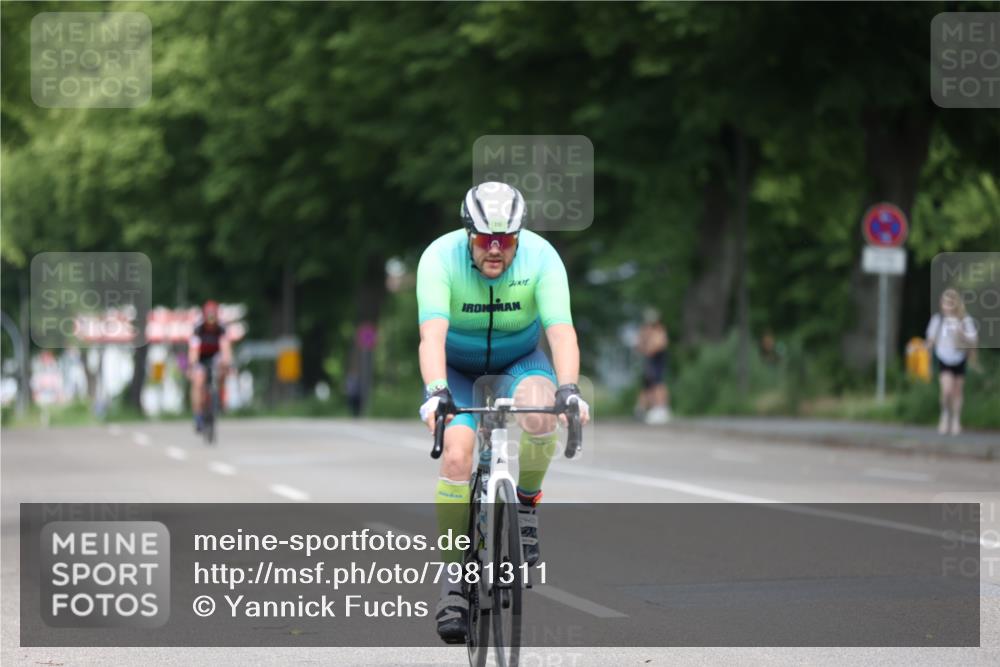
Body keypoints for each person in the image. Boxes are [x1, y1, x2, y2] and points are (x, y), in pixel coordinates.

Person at [416, 181, 591, 643]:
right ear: (467, 233)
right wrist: (435, 391)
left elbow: (561, 332)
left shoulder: (542, 257)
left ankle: (527, 504)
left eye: (506, 240)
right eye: (485, 240)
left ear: (519, 235)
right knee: (456, 454)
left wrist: (569, 389)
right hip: (455, 368)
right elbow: (431, 336)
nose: (495, 251)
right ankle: (453, 582)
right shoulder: (438, 258)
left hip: (518, 360)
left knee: (541, 412)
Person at [925, 288, 978, 435]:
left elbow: (973, 340)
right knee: (947, 390)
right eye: (945, 303)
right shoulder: (938, 320)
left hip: (959, 358)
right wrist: (925, 350)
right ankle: (945, 414)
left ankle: (956, 419)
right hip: (944, 357)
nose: (947, 306)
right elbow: (930, 340)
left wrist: (961, 334)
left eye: (950, 303)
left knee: (957, 391)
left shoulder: (965, 320)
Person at [188, 300, 232, 432]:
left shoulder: (221, 328)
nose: (211, 320)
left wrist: (227, 362)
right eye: (209, 316)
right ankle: (198, 415)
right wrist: (193, 365)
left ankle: (220, 398)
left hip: (215, 356)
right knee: (198, 381)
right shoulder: (198, 328)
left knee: (223, 369)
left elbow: (225, 347)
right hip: (200, 357)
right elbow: (193, 349)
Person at [635, 307, 670, 424]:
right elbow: (640, 346)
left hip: (657, 362)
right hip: (649, 363)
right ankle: (643, 409)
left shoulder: (660, 331)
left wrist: (647, 342)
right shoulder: (645, 331)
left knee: (658, 384)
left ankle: (661, 408)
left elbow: (655, 347)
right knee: (647, 386)